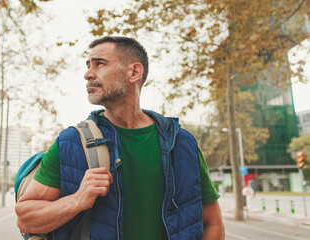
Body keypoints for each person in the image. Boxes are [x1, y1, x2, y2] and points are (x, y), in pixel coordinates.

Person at [15, 36, 225, 239]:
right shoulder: (71, 142)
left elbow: (213, 223)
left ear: (134, 72)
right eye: (88, 65)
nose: (88, 74)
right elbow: (26, 219)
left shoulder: (181, 143)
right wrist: (78, 200)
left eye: (99, 64)